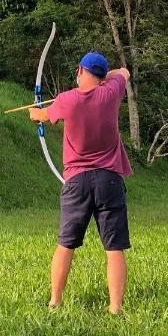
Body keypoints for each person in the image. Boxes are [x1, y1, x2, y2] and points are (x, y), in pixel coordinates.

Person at [30, 52, 132, 315]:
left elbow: (43, 116)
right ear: (99, 75)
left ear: (79, 70)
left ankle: (55, 300)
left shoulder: (66, 99)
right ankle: (115, 307)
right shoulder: (111, 93)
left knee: (66, 243)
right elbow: (124, 72)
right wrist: (104, 78)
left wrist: (34, 113)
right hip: (109, 179)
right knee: (114, 246)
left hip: (77, 180)